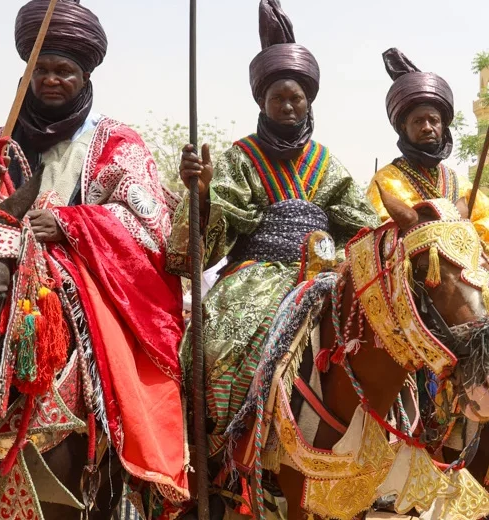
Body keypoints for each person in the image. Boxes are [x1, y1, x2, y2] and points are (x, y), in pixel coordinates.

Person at [0, 0, 189, 502]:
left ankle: (127, 470)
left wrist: (70, 224)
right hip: (2, 271)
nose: (51, 80)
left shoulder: (116, 140)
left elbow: (150, 223)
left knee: (117, 362)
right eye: (42, 71)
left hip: (79, 279)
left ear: (85, 76)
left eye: (64, 71)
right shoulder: (1, 140)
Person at [172, 0, 378, 455]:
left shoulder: (327, 162)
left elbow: (362, 226)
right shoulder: (240, 157)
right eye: (277, 98)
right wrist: (203, 194)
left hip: (325, 275)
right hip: (255, 274)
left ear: (309, 102)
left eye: (296, 98)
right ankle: (217, 446)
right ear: (261, 103)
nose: (287, 105)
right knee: (218, 345)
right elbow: (209, 240)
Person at [367, 48, 489, 267]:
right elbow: (382, 233)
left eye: (434, 120)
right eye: (418, 121)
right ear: (404, 127)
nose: (427, 127)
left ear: (443, 126)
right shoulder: (385, 181)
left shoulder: (461, 184)